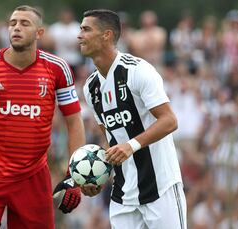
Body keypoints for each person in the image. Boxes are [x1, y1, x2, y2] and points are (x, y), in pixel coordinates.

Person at [0, 5, 85, 229]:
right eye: (12, 23)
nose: (16, 28)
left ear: (39, 33)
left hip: (34, 179)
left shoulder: (58, 69)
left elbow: (74, 122)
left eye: (24, 23)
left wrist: (74, 176)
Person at [79, 9, 187, 228]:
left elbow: (169, 120)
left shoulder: (138, 71)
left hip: (160, 189)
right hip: (124, 197)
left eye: (86, 29)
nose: (79, 35)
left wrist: (131, 145)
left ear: (106, 35)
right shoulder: (90, 88)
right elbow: (110, 138)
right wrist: (95, 175)